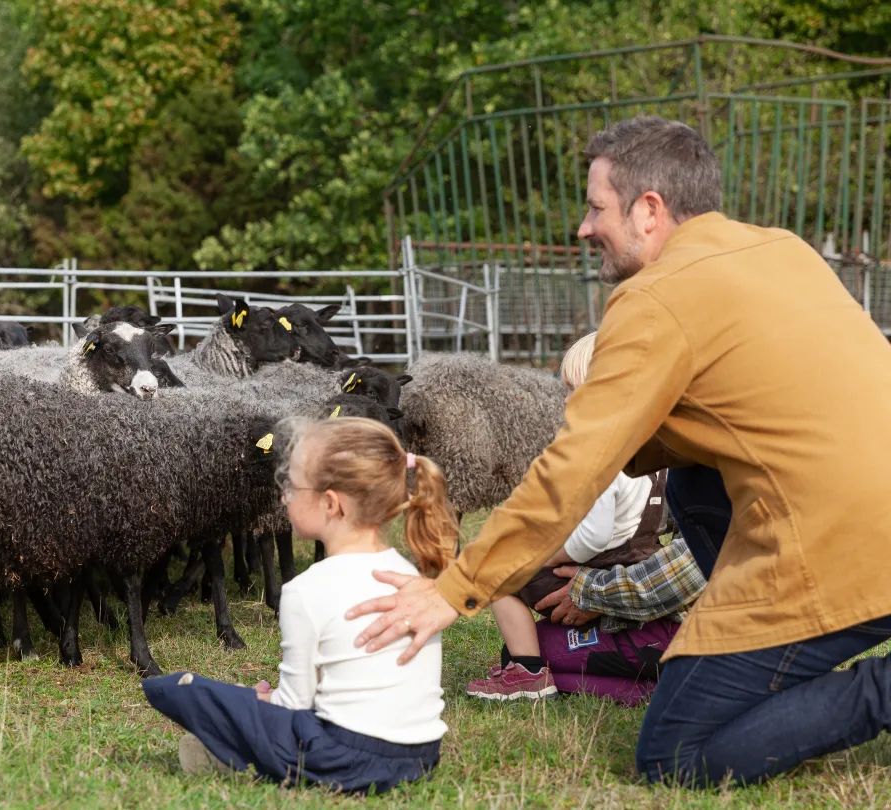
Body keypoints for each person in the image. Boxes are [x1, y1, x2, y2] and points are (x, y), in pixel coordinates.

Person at [344, 114, 891, 787]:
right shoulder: (782, 249)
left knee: (674, 756)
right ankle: (760, 656)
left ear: (650, 211)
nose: (583, 227)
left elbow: (573, 470)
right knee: (692, 481)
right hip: (861, 515)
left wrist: (453, 589)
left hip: (846, 549)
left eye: (596, 207)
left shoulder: (655, 299)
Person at [142, 417, 459, 794]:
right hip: (421, 755)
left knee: (186, 691)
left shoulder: (306, 590)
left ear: (329, 503)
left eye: (291, 484)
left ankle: (225, 753)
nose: (283, 495)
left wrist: (263, 701)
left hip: (347, 758)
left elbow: (294, 705)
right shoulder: (411, 579)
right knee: (254, 708)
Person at [466, 331, 668, 702]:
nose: (566, 400)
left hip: (597, 565)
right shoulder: (653, 449)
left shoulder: (600, 453)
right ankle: (637, 684)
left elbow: (591, 537)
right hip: (640, 560)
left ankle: (526, 672)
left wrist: (546, 555)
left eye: (575, 389)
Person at [530, 536, 706, 706]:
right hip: (709, 641)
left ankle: (675, 689)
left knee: (534, 651)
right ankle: (675, 689)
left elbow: (684, 572)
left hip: (690, 633)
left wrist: (590, 590)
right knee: (532, 650)